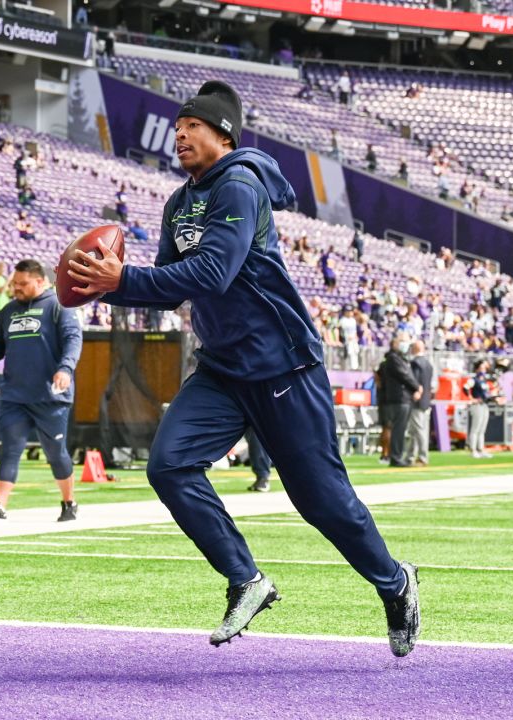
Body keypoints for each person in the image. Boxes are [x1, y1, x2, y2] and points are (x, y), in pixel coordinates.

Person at [65, 80, 419, 657]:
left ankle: (394, 582)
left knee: (322, 501)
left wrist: (121, 281)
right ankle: (246, 578)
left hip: (283, 365)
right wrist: (102, 284)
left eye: (193, 126)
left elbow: (214, 274)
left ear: (223, 134)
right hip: (225, 368)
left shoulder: (240, 185)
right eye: (176, 126)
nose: (179, 134)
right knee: (169, 466)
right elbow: (162, 288)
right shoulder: (180, 202)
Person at [0, 259, 84, 523]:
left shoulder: (60, 306)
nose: (16, 289)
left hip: (51, 395)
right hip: (14, 395)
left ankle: (69, 502)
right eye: (15, 284)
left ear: (40, 281)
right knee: (10, 449)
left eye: (23, 284)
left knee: (56, 452)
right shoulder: (9, 310)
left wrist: (65, 369)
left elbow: (72, 340)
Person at [379, 333, 421, 468]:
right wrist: (417, 387)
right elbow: (405, 375)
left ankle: (396, 456)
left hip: (400, 398)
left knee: (399, 429)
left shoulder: (398, 358)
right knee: (398, 429)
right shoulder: (393, 358)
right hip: (399, 398)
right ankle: (396, 457)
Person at [405, 340, 434, 466]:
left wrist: (415, 392)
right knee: (415, 430)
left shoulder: (415, 363)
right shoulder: (428, 364)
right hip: (426, 400)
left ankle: (422, 456)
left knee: (418, 430)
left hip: (416, 401)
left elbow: (414, 381)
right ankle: (410, 456)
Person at [467, 358, 494, 459]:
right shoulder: (474, 379)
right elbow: (465, 388)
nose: (484, 370)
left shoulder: (484, 380)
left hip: (484, 404)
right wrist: (472, 399)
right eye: (482, 368)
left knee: (482, 429)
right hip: (477, 405)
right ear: (477, 369)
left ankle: (480, 449)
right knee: (475, 428)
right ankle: (473, 449)